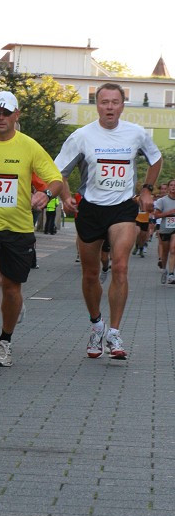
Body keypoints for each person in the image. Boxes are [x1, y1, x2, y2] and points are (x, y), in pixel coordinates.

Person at [56, 82, 162, 360]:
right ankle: (96, 325)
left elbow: (156, 159)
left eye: (115, 102)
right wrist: (66, 196)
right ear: (97, 105)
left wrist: (147, 188)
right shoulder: (82, 136)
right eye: (105, 102)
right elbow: (58, 172)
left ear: (122, 105)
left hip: (123, 208)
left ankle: (114, 332)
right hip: (90, 209)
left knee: (121, 267)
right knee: (90, 274)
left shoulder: (136, 134)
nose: (110, 107)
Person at [0, 91, 63, 368]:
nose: (1, 117)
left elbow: (56, 179)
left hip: (18, 228)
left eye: (7, 113)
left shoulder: (29, 146)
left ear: (17, 115)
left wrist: (46, 195)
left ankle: (5, 339)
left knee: (12, 287)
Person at [154, 178, 175, 284]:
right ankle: (164, 270)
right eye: (171, 185)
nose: (173, 187)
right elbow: (156, 215)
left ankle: (171, 274)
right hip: (165, 229)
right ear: (168, 187)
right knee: (165, 252)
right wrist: (168, 213)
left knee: (173, 250)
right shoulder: (162, 201)